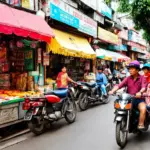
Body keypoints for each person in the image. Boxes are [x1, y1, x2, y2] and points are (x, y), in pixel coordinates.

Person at [109, 60, 147, 130]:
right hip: (128, 99)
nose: (130, 70)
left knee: (143, 108)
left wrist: (140, 92)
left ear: (137, 70)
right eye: (129, 69)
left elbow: (144, 87)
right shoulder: (128, 78)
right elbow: (119, 85)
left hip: (139, 99)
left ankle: (141, 124)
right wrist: (112, 91)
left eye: (132, 69)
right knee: (120, 107)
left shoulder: (142, 78)